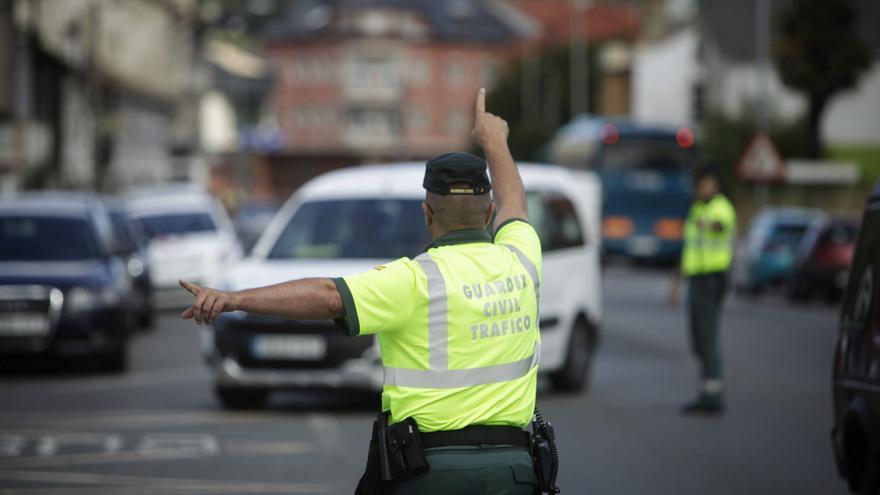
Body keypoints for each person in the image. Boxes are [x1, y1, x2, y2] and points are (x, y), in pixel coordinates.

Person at [178, 88, 543, 494]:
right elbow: (516, 202)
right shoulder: (521, 260)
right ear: (489, 213)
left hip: (434, 473)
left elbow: (329, 296)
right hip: (514, 471)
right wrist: (495, 141)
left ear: (427, 214)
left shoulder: (415, 279)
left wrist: (235, 299)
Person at [668, 168, 736, 415]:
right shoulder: (696, 210)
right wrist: (677, 283)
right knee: (698, 336)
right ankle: (707, 389)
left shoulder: (721, 207)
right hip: (696, 278)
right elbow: (689, 249)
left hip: (713, 278)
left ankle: (712, 395)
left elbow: (720, 226)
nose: (704, 189)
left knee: (707, 336)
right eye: (701, 185)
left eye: (708, 184)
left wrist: (707, 223)